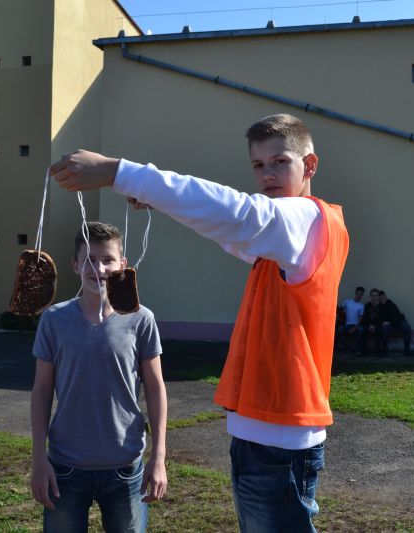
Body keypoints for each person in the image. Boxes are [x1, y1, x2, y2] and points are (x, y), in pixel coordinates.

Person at [48, 113, 349, 532]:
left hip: (280, 438)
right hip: (269, 435)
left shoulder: (304, 218)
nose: (268, 174)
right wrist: (158, 199)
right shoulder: (290, 236)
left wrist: (119, 172)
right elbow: (225, 229)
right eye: (259, 165)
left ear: (310, 165)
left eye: (280, 162)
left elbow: (237, 215)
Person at [29, 222, 167, 533]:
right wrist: (39, 459)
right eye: (89, 260)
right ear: (75, 265)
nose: (99, 269)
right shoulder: (54, 320)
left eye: (107, 259)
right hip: (65, 466)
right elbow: (41, 391)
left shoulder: (141, 319)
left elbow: (156, 388)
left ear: (122, 265)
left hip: (125, 465)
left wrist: (158, 458)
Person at [378, 290, 413, 355]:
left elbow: (396, 315)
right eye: (380, 298)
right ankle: (385, 349)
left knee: (407, 327)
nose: (382, 300)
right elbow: (379, 319)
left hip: (397, 322)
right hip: (389, 326)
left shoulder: (391, 304)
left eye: (383, 298)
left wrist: (389, 322)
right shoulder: (379, 307)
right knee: (385, 328)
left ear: (386, 297)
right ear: (379, 299)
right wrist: (383, 322)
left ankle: (407, 349)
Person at [336, 286, 364, 351]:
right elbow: (340, 310)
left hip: (356, 325)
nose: (359, 296)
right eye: (358, 293)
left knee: (361, 330)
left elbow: (361, 318)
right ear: (355, 293)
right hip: (347, 324)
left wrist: (355, 328)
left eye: (361, 294)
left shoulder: (361, 306)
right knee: (340, 329)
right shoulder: (347, 302)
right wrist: (343, 312)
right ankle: (346, 348)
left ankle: (356, 348)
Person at [359, 288, 383, 355]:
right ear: (370, 296)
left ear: (378, 296)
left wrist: (374, 325)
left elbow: (382, 318)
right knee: (364, 330)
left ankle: (378, 351)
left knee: (379, 330)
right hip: (368, 325)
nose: (374, 297)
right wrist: (370, 325)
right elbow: (365, 318)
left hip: (378, 325)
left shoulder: (381, 306)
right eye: (372, 295)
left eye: (376, 295)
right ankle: (363, 351)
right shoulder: (367, 306)